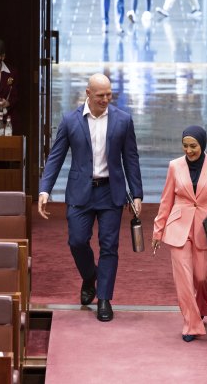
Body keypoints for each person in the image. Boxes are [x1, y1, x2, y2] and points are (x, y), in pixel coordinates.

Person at [38, 73, 143, 322]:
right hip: (80, 192)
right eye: (100, 95)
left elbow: (131, 158)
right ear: (88, 93)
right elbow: (55, 157)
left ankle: (104, 298)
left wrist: (137, 193)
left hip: (111, 192)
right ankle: (89, 276)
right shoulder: (70, 121)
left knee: (109, 246)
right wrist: (44, 189)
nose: (106, 99)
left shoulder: (123, 120)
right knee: (77, 241)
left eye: (109, 95)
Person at [152, 125, 207, 342]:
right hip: (178, 226)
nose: (189, 150)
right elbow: (166, 200)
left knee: (203, 276)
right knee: (184, 278)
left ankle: (202, 304)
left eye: (193, 146)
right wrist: (158, 230)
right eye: (185, 146)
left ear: (202, 144)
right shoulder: (175, 166)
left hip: (204, 226)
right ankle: (191, 324)